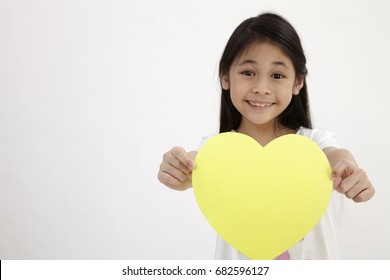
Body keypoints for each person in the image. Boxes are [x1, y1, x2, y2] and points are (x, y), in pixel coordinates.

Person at [157, 13, 375, 259]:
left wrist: (349, 169)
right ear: (225, 77)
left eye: (277, 75)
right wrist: (179, 168)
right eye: (248, 72)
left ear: (298, 82)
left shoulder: (313, 143)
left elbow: (335, 156)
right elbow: (196, 161)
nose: (261, 87)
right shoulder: (217, 150)